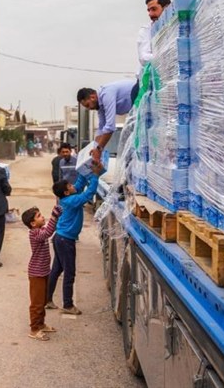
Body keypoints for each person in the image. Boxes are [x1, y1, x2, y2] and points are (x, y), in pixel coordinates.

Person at [45, 162, 103, 314]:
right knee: (69, 272)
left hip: (60, 238)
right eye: (69, 186)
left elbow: (79, 185)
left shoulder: (67, 197)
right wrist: (95, 175)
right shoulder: (72, 201)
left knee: (56, 269)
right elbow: (88, 194)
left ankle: (48, 299)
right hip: (65, 241)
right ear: (66, 192)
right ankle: (68, 305)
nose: (73, 186)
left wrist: (85, 170)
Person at [22, 203, 63, 341]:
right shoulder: (35, 233)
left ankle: (41, 324)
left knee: (43, 300)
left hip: (44, 271)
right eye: (39, 216)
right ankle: (34, 329)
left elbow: (49, 229)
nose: (42, 217)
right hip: (37, 274)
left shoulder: (39, 230)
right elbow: (47, 232)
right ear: (33, 223)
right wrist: (54, 216)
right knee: (37, 303)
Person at [77, 80, 136, 163]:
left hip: (140, 93)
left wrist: (99, 149)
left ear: (92, 97)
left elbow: (110, 126)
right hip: (136, 106)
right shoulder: (100, 107)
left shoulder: (106, 94)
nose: (89, 109)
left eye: (87, 105)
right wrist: (94, 147)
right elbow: (101, 128)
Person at [134, 0, 172, 101]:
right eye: (149, 10)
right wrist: (167, 56)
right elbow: (144, 58)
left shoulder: (174, 28)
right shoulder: (146, 30)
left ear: (166, 8)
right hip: (145, 86)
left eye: (154, 9)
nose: (150, 14)